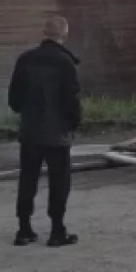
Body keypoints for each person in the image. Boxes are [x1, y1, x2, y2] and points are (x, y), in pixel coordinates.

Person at [8, 16, 82, 248]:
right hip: (57, 134)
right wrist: (72, 124)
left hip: (30, 132)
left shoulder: (25, 59)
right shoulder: (65, 63)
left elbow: (14, 99)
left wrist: (27, 115)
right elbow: (71, 100)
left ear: (44, 32)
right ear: (64, 35)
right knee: (59, 182)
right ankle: (57, 231)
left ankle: (23, 229)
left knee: (27, 180)